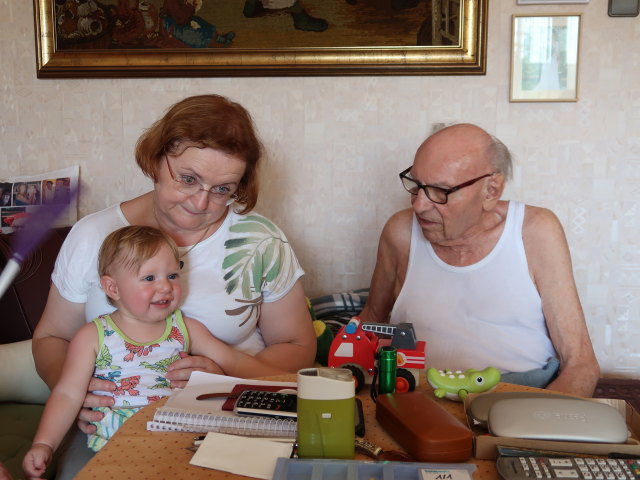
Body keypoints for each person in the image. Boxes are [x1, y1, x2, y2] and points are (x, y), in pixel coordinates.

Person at [32, 94, 316, 479]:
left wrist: (228, 376)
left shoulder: (260, 242)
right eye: (188, 179)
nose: (200, 203)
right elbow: (51, 337)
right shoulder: (93, 236)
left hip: (229, 415)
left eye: (223, 189)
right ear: (155, 159)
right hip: (113, 423)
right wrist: (76, 391)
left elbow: (298, 348)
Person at [359, 123, 599, 397]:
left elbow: (581, 364)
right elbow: (369, 326)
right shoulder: (400, 233)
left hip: (519, 400)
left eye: (440, 191)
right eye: (416, 185)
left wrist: (535, 426)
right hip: (417, 401)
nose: (419, 205)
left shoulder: (536, 232)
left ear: (491, 190)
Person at [24, 225, 254, 479]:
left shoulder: (185, 327)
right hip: (119, 442)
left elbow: (228, 368)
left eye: (173, 276)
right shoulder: (93, 336)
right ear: (113, 288)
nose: (165, 286)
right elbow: (68, 393)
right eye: (149, 278)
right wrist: (44, 444)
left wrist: (214, 375)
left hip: (182, 436)